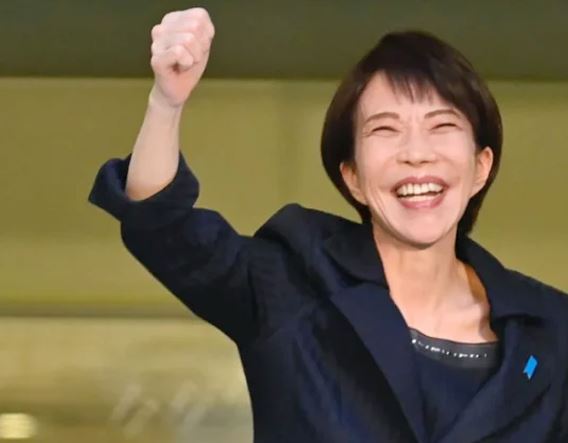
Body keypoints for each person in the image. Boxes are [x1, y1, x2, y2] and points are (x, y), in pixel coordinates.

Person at [88, 7, 568, 443]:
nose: (416, 153)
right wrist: (166, 102)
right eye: (385, 129)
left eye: (442, 126)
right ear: (352, 177)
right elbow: (162, 226)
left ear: (481, 166)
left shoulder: (551, 331)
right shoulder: (291, 284)